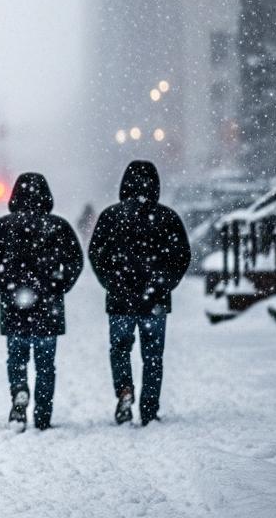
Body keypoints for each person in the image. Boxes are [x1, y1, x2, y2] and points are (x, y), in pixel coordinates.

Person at [88, 160, 191, 427]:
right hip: (154, 301)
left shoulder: (111, 216)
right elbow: (181, 257)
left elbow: (96, 253)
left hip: (120, 300)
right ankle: (149, 408)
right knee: (153, 355)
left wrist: (111, 282)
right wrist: (163, 284)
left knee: (120, 349)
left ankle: (124, 391)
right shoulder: (167, 218)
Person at [0, 173, 83, 431]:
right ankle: (43, 412)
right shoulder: (58, 226)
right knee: (46, 363)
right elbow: (75, 260)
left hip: (14, 304)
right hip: (48, 305)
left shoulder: (3, 226)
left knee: (17, 357)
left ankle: (19, 391)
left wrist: (2, 286)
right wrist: (61, 285)